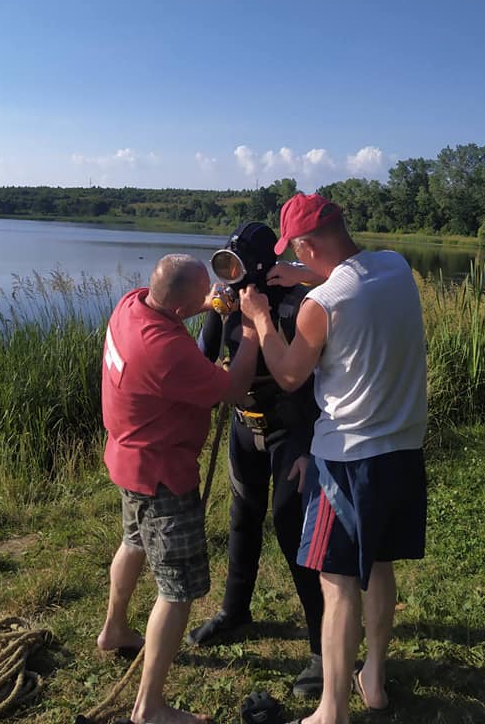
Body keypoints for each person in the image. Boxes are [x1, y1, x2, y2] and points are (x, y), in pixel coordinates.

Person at [239, 194, 428, 724]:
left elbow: (291, 374)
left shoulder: (322, 306)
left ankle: (332, 711)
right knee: (379, 565)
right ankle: (374, 678)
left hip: (347, 460)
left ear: (304, 243)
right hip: (402, 451)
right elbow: (346, 278)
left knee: (336, 580)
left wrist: (260, 318)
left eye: (296, 253)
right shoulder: (396, 267)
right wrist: (297, 274)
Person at [95, 253, 259, 724]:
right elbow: (233, 386)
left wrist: (209, 305)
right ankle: (150, 707)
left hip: (128, 459)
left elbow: (179, 313)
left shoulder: (132, 306)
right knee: (178, 589)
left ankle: (114, 630)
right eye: (201, 294)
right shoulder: (165, 348)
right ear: (181, 306)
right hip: (162, 475)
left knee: (132, 541)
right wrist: (249, 326)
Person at [186, 222, 324, 699]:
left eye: (239, 265)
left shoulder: (298, 301)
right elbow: (203, 356)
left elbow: (316, 372)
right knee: (243, 516)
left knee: (292, 527)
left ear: (266, 266)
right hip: (246, 423)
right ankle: (235, 610)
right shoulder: (227, 300)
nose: (231, 275)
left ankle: (322, 650)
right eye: (225, 263)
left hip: (292, 425)